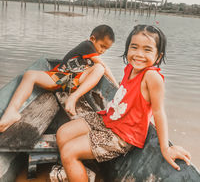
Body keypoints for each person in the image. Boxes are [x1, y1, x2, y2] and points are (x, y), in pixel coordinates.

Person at [56, 24, 191, 182]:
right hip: (107, 119)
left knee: (68, 152)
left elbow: (158, 112)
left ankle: (74, 164)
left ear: (158, 57)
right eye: (134, 47)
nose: (139, 54)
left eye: (147, 50)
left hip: (122, 135)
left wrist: (165, 147)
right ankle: (78, 170)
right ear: (128, 49)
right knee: (63, 133)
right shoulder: (130, 68)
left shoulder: (152, 77)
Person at [0, 24, 118, 132]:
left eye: (106, 49)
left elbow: (99, 67)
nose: (102, 51)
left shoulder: (93, 51)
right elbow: (105, 65)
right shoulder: (88, 45)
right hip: (60, 77)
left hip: (71, 80)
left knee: (99, 68)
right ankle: (12, 111)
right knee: (29, 75)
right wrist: (117, 86)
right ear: (92, 39)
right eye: (102, 46)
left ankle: (73, 98)